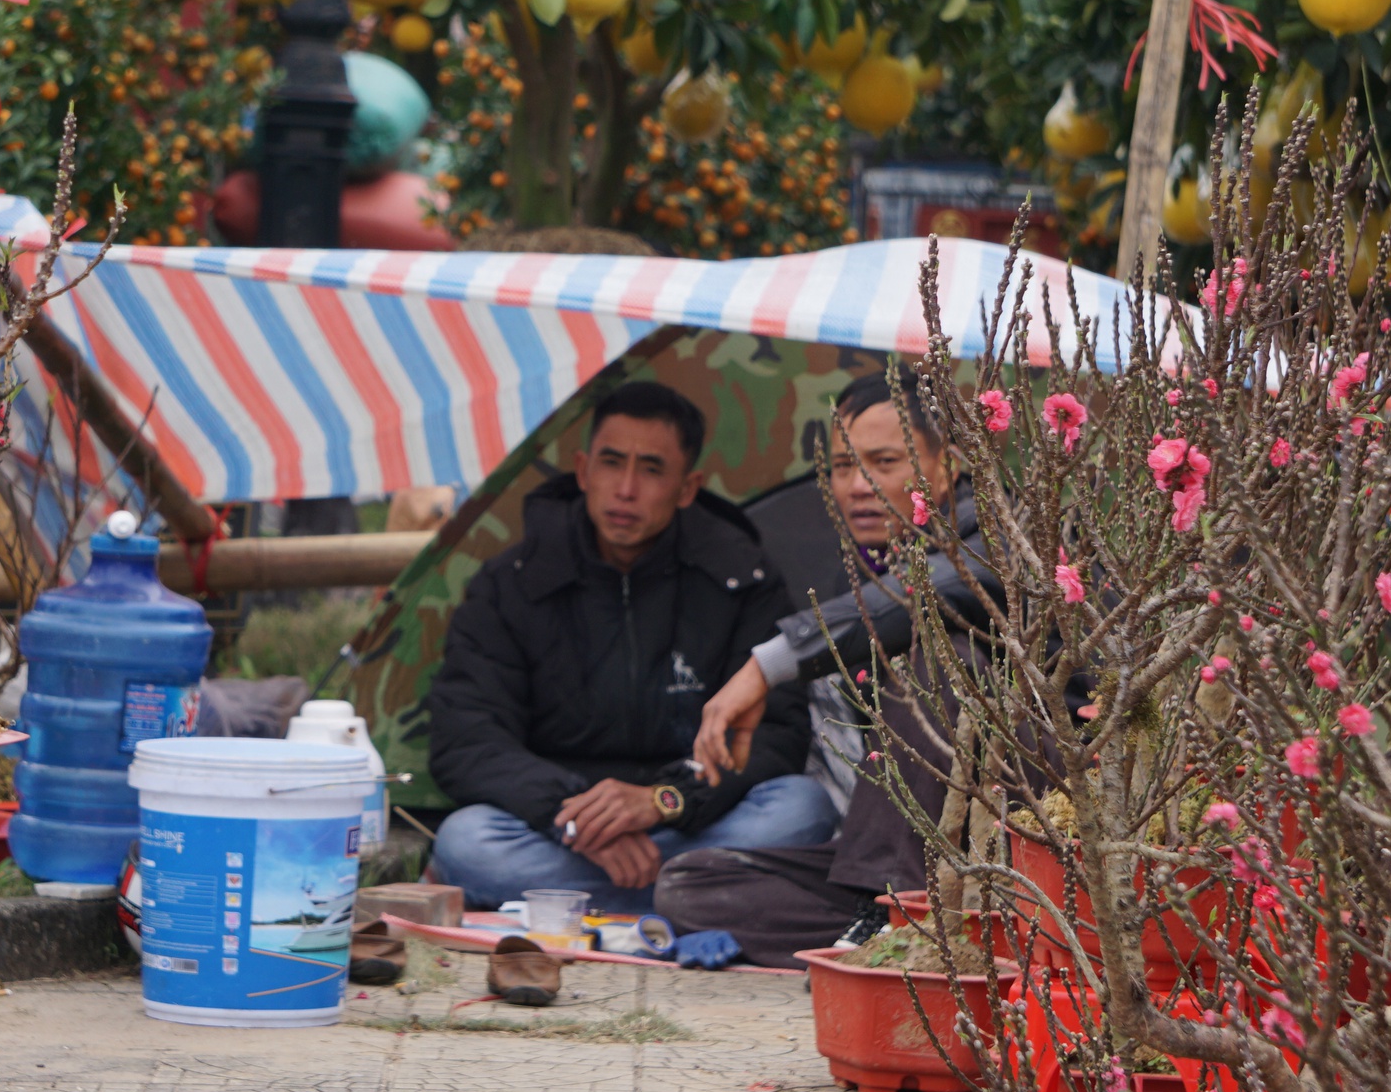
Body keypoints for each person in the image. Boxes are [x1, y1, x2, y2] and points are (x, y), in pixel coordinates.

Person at [425, 381, 838, 913]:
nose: (624, 489)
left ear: (687, 488)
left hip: (689, 814)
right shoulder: (513, 583)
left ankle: (597, 898)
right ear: (582, 471)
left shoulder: (739, 577)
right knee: (465, 841)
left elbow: (775, 735)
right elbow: (467, 737)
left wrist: (664, 802)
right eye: (611, 463)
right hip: (563, 826)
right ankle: (699, 893)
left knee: (802, 810)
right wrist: (580, 819)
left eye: (650, 470)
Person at [652, 369, 1010, 967]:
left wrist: (767, 666)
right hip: (891, 857)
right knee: (691, 886)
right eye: (843, 467)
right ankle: (897, 927)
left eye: (884, 462)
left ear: (947, 465)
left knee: (939, 662)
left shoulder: (1001, 537)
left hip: (1017, 847)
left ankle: (893, 911)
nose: (858, 486)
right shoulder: (856, 577)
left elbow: (925, 597)